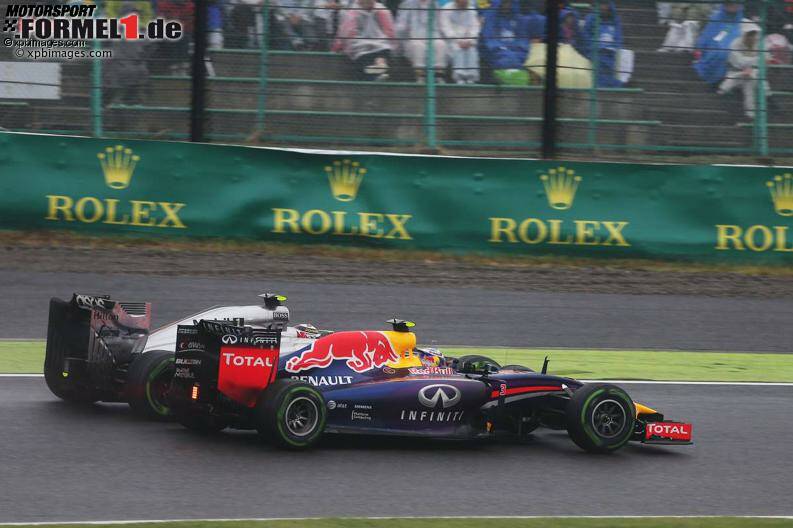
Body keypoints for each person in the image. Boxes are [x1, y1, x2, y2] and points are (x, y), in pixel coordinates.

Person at [717, 20, 770, 121]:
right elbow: (739, 62)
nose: (752, 37)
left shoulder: (761, 43)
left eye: (754, 34)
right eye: (749, 34)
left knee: (750, 80)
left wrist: (750, 66)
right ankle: (762, 101)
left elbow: (765, 59)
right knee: (742, 78)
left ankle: (750, 112)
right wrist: (753, 62)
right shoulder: (735, 44)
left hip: (754, 74)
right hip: (736, 72)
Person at [333, 0, 396, 80]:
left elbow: (346, 31)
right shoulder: (381, 11)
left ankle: (376, 71)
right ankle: (379, 66)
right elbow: (389, 30)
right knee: (379, 53)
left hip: (366, 46)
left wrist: (338, 46)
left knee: (365, 60)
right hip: (375, 45)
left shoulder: (353, 12)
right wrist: (393, 44)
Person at [396, 0, 448, 83]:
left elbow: (439, 24)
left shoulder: (434, 4)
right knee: (418, 46)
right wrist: (405, 30)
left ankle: (438, 75)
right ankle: (420, 76)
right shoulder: (407, 4)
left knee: (441, 44)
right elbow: (401, 25)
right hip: (412, 36)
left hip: (432, 35)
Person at [693, 2, 744, 86]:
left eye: (735, 4)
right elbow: (708, 34)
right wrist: (700, 47)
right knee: (719, 53)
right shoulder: (716, 17)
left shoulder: (742, 22)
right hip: (716, 46)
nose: (732, 6)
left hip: (732, 47)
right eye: (729, 4)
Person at [480, 0, 530, 85]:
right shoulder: (490, 17)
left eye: (509, 2)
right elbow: (489, 41)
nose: (507, 5)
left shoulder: (518, 18)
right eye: (504, 2)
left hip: (515, 56)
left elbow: (523, 41)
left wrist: (516, 53)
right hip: (497, 55)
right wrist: (504, 51)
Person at [580, 0, 625, 87]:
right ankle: (616, 85)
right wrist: (591, 47)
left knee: (607, 71)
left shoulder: (615, 18)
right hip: (595, 51)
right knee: (599, 71)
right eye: (601, 4)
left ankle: (614, 85)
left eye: (605, 4)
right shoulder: (591, 18)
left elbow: (618, 36)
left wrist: (616, 47)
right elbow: (585, 35)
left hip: (610, 52)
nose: (603, 6)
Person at [439, 0, 481, 84]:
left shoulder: (471, 10)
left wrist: (470, 40)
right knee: (457, 49)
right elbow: (445, 27)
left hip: (467, 40)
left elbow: (475, 27)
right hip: (451, 40)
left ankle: (471, 78)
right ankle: (459, 78)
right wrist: (458, 40)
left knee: (471, 50)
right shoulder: (446, 9)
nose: (466, 3)